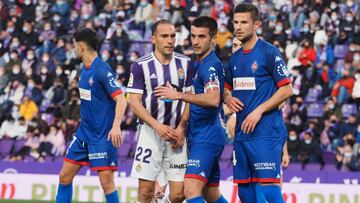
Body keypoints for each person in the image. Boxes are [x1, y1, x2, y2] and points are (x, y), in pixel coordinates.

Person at [224, 3, 293, 203]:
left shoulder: (269, 53)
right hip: (242, 134)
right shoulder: (235, 59)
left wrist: (259, 111)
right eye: (236, 22)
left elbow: (287, 89)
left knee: (270, 189)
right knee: (245, 192)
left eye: (244, 22)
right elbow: (225, 88)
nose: (238, 26)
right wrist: (227, 97)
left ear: (256, 25)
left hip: (266, 132)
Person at [155, 16, 228, 203]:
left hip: (208, 135)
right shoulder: (195, 64)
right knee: (211, 195)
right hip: (197, 134)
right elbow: (194, 100)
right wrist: (182, 126)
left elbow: (213, 99)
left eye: (201, 37)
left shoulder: (211, 65)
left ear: (213, 39)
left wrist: (178, 95)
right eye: (193, 36)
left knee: (190, 190)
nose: (195, 41)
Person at [56, 28, 127, 203]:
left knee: (106, 183)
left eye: (74, 46)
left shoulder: (102, 69)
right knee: (64, 176)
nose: (73, 49)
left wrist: (116, 125)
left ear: (81, 46)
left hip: (102, 136)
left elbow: (121, 99)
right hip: (83, 135)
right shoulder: (84, 70)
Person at [127, 19, 194, 203]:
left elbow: (190, 99)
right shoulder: (140, 65)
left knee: (179, 194)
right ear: (154, 39)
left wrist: (181, 127)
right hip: (150, 133)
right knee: (146, 192)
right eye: (165, 36)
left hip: (176, 135)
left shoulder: (186, 64)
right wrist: (158, 126)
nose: (170, 40)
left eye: (173, 36)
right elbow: (134, 102)